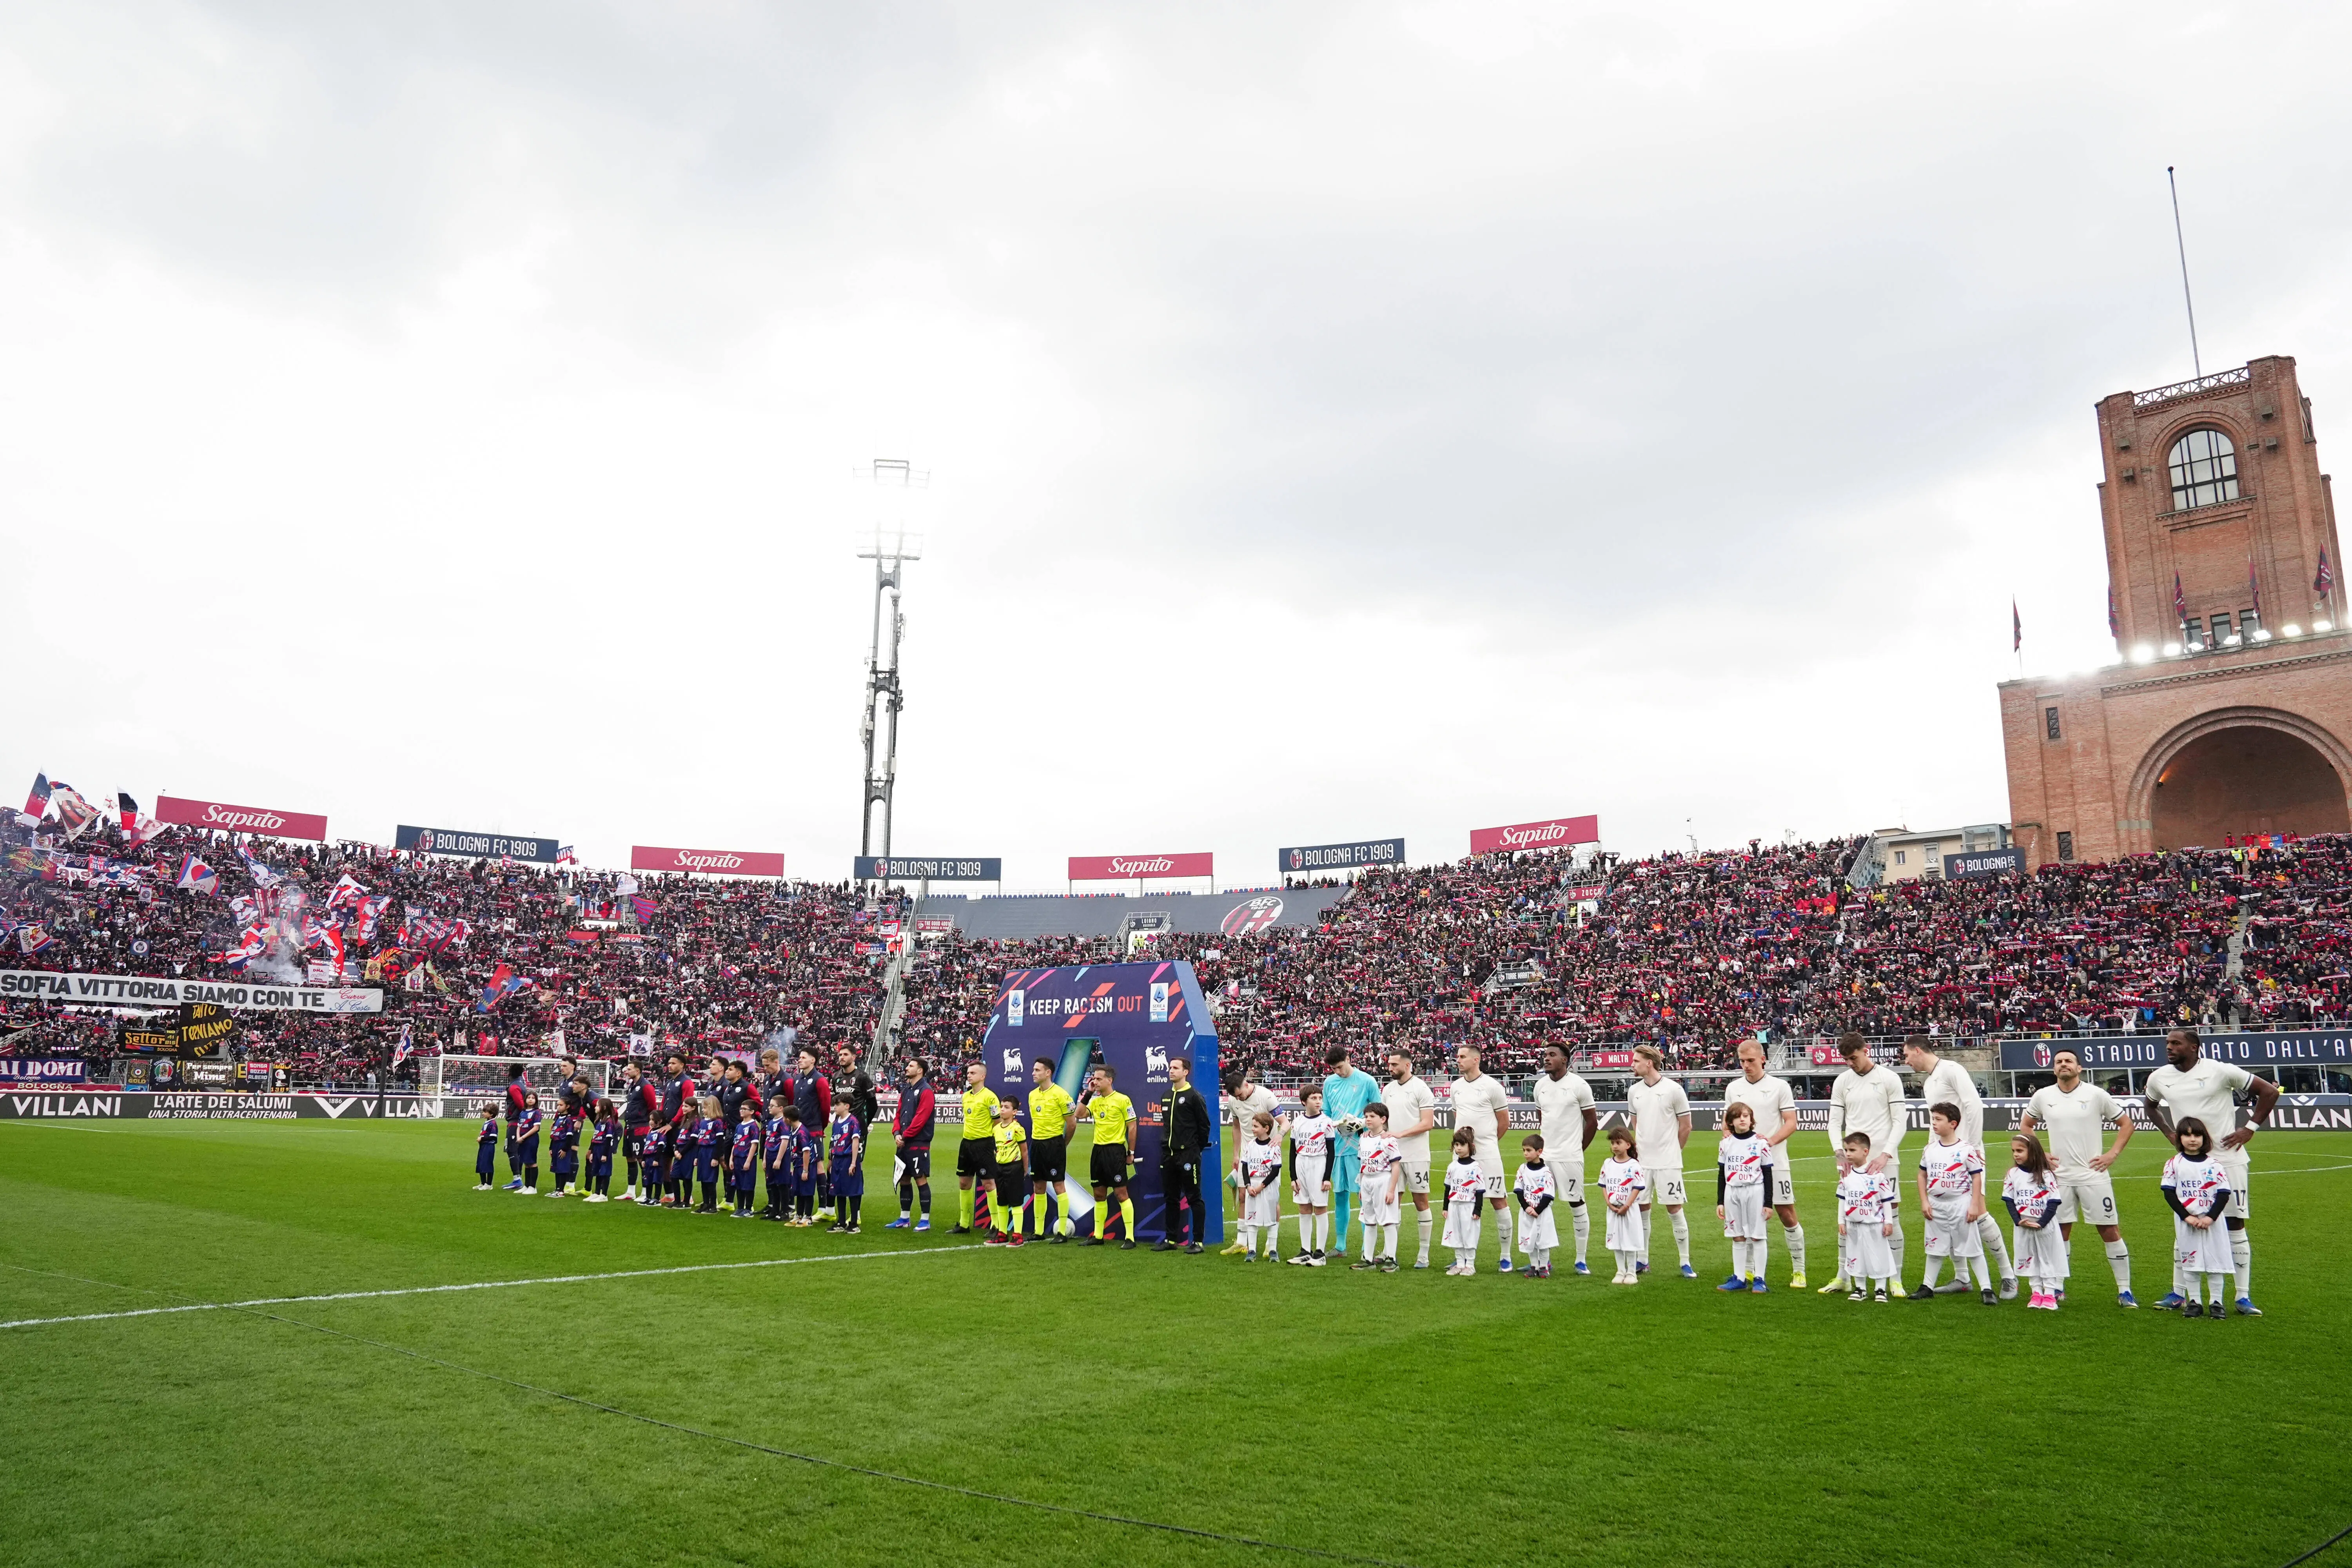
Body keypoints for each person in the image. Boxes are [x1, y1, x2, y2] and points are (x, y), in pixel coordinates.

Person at [2142, 1027, 2278, 1316]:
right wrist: (2169, 1132)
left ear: (2194, 1047)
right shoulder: (2159, 1077)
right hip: (2188, 1164)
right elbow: (2150, 1106)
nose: (2169, 1047)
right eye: (2167, 1043)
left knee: (2235, 1225)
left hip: (2228, 1159)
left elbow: (2268, 1091)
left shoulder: (2220, 1070)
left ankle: (2242, 1297)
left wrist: (2249, 1128)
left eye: (2176, 1043)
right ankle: (2179, 1294)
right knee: (2185, 1224)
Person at [2020, 1046, 2138, 1306]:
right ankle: (2058, 1287)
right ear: (2054, 1069)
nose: (2064, 1065)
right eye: (2059, 1062)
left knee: (2109, 1230)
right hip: (2058, 1178)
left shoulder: (2096, 1094)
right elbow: (2026, 1125)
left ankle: (2125, 1290)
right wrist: (2041, 1154)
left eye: (2069, 1061)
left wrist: (2112, 1155)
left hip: (2092, 1175)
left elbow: (2127, 1124)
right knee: (2060, 1231)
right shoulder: (2043, 1096)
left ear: (2079, 1068)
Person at [1904, 1037, 2016, 1299]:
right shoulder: (1930, 1081)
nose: (1906, 1061)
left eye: (1907, 1055)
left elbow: (1973, 1105)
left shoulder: (1952, 1070)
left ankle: (2008, 1276)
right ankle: (1962, 1278)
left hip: (1965, 1154)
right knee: (1945, 1214)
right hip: (1941, 1157)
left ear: (1918, 1050)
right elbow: (1937, 1123)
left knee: (1978, 1212)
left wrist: (1974, 1145)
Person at [1823, 1034, 1906, 1294]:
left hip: (1883, 1161)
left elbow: (1900, 1121)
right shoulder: (1842, 1082)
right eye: (1846, 1059)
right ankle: (1843, 1277)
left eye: (1854, 1058)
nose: (1850, 1064)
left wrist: (1886, 1155)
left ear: (1866, 1051)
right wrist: (1841, 1157)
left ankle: (1896, 1278)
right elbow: (1834, 1123)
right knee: (1849, 1215)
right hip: (1851, 1163)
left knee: (1889, 1214)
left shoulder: (1889, 1079)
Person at [1722, 1038, 1806, 1288]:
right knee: (1745, 1217)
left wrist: (1766, 1144)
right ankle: (1747, 1273)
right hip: (1741, 1168)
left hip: (1774, 1163)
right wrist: (1730, 1145)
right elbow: (1727, 1125)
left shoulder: (1779, 1086)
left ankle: (1799, 1271)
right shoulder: (1733, 1088)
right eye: (1742, 1061)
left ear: (1762, 1059)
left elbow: (1791, 1122)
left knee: (1786, 1213)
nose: (1746, 1065)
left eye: (1750, 1061)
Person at [1914, 1102, 1995, 1305]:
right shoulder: (1930, 1149)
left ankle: (1987, 1289)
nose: (1934, 1123)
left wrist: (1975, 1204)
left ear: (1953, 1124)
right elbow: (1922, 1175)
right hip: (1936, 1205)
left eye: (1938, 1119)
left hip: (1960, 1204)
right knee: (1934, 1247)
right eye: (1933, 1119)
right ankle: (1927, 1286)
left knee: (1973, 1248)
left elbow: (1977, 1177)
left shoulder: (1966, 1149)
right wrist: (1924, 1201)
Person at [1626, 1044, 1693, 1278]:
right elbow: (1636, 1125)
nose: (1632, 1065)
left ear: (1649, 1063)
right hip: (1642, 1163)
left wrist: (1674, 1151)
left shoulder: (1674, 1090)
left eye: (1636, 1061)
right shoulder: (1634, 1092)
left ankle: (1685, 1262)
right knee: (1641, 1209)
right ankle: (1643, 1260)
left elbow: (1686, 1126)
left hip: (1668, 1162)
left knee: (1674, 1209)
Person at [1530, 1046, 1598, 1276]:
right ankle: (1541, 1260)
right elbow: (1543, 1119)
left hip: (1569, 1157)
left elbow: (1592, 1122)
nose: (1546, 1059)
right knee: (1538, 1207)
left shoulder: (1579, 1085)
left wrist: (1578, 1149)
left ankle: (1581, 1260)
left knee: (1576, 1204)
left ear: (1564, 1060)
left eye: (1552, 1056)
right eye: (1545, 1055)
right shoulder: (1540, 1086)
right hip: (1545, 1157)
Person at [2160, 1117, 2235, 1319]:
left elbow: (2223, 1193)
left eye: (2197, 1135)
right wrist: (2187, 1217)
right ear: (2180, 1138)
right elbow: (2169, 1193)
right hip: (2188, 1222)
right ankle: (2195, 1302)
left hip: (2213, 1221)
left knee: (2215, 1262)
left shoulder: (2215, 1165)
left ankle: (2216, 1303)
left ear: (2204, 1138)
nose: (2192, 1140)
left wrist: (2211, 1217)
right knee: (2190, 1261)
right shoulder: (2174, 1164)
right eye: (2187, 1135)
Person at [1448, 1044, 1514, 1272]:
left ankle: (1506, 1256)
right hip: (1461, 1158)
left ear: (1476, 1060)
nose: (1459, 1060)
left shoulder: (1492, 1086)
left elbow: (1504, 1121)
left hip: (1488, 1155)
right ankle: (1462, 1256)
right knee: (1459, 1205)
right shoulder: (1456, 1087)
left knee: (1498, 1200)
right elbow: (1459, 1118)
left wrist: (1487, 1144)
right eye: (1458, 1056)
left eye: (1463, 1057)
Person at [1381, 1050, 1443, 1269]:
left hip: (1416, 1155)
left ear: (1408, 1065)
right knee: (1392, 1201)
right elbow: (1384, 1122)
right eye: (1389, 1064)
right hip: (1393, 1157)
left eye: (1395, 1065)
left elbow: (1428, 1123)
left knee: (1421, 1202)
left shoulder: (1421, 1089)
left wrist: (1400, 1134)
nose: (1390, 1068)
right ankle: (1389, 1252)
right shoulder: (1387, 1090)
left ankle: (1424, 1255)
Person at [1319, 1045, 1380, 1258]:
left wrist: (1362, 1124)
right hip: (1336, 1147)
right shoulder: (1329, 1083)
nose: (1338, 1072)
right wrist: (1334, 1123)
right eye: (1334, 1069)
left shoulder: (1367, 1081)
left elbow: (1380, 1112)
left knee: (1364, 1197)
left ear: (1349, 1058)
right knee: (1339, 1196)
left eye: (1340, 1067)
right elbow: (1325, 1112)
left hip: (1360, 1147)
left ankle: (1367, 1247)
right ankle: (1340, 1246)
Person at [1074, 1063, 1138, 1249]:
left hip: (1115, 1151)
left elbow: (1132, 1127)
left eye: (1099, 1079)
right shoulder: (1095, 1101)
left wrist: (1131, 1153)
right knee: (1099, 1194)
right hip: (1098, 1151)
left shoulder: (1122, 1100)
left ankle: (1130, 1238)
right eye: (1094, 1078)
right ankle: (1099, 1235)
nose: (1095, 1081)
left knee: (1121, 1194)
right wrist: (1088, 1093)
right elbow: (1078, 1114)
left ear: (1109, 1080)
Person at [1158, 1054, 1214, 1254]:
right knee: (1171, 1198)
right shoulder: (1166, 1095)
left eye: (1175, 1068)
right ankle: (1171, 1239)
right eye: (1170, 1068)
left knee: (1194, 1198)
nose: (1171, 1071)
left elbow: (1204, 1127)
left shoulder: (1194, 1097)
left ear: (1185, 1072)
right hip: (1168, 1155)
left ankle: (1198, 1241)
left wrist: (1193, 1149)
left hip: (1188, 1156)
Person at [2002, 1132, 2065, 1309]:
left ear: (2033, 1151)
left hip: (2045, 1226)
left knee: (2047, 1259)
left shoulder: (2047, 1175)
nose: (2016, 1154)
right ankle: (2036, 1292)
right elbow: (2008, 1199)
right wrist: (2018, 1221)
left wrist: (2042, 1223)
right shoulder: (2013, 1174)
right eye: (2014, 1151)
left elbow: (2054, 1202)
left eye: (2020, 1151)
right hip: (2024, 1226)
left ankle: (2050, 1294)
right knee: (2029, 1259)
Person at [1714, 1101, 1771, 1294]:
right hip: (1733, 1191)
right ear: (1731, 1122)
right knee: (1737, 1236)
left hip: (1755, 1191)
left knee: (1757, 1236)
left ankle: (1760, 1280)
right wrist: (1720, 1201)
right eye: (1738, 1117)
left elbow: (1768, 1173)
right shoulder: (1726, 1144)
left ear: (1751, 1119)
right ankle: (1739, 1278)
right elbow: (1722, 1173)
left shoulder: (1761, 1143)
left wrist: (1769, 1203)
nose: (1743, 1120)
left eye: (1746, 1116)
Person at [1221, 1067, 1280, 1254]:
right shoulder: (1233, 1100)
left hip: (1269, 1154)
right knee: (1243, 1196)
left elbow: (1284, 1121)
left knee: (1272, 1199)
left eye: (1240, 1095)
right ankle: (1242, 1242)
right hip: (1248, 1154)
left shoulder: (1266, 1096)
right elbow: (1237, 1127)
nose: (1239, 1099)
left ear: (1246, 1084)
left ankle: (1271, 1244)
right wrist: (1236, 1154)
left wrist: (1280, 1137)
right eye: (1235, 1097)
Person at [1837, 1132, 1899, 1303]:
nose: (1848, 1154)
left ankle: (1881, 1289)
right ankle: (1860, 1288)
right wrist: (1841, 1221)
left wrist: (1889, 1222)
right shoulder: (1846, 1176)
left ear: (1865, 1152)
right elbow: (1842, 1200)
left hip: (1874, 1224)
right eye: (1846, 1150)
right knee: (1856, 1256)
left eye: (1852, 1150)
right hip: (1854, 1225)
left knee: (1878, 1256)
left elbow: (1887, 1200)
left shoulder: (1877, 1175)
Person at [1284, 1085, 1335, 1265]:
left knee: (1320, 1207)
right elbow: (1292, 1151)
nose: (1318, 1101)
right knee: (1304, 1207)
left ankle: (1320, 1253)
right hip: (1301, 1163)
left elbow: (1331, 1151)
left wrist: (1327, 1177)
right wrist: (1293, 1177)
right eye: (1314, 1098)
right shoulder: (1297, 1122)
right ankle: (1305, 1250)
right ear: (1304, 1102)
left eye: (1320, 1098)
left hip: (1318, 1163)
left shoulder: (1327, 1122)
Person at [1350, 1101, 1403, 1272]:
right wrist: (1361, 1186)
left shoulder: (1388, 1140)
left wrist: (1391, 1189)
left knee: (1388, 1221)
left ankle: (1392, 1259)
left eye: (1372, 1117)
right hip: (1368, 1182)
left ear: (1383, 1119)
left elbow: (1396, 1166)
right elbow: (1363, 1165)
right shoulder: (1364, 1139)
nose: (1368, 1120)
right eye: (1366, 1117)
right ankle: (1368, 1258)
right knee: (1369, 1220)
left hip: (1383, 1180)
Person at [1027, 1057, 1075, 1243]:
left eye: (1038, 1070)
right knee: (1038, 1186)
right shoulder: (1032, 1095)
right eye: (1034, 1070)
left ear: (1048, 1073)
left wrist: (1063, 1144)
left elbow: (1071, 1124)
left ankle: (1062, 1232)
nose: (1034, 1073)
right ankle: (1038, 1232)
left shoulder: (1061, 1095)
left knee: (1058, 1186)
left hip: (1054, 1144)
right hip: (1037, 1145)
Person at [888, 1057, 936, 1232]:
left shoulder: (926, 1091)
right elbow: (899, 1114)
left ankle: (925, 1220)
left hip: (918, 1143)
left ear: (920, 1070)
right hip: (903, 1143)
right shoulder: (906, 1090)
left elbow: (921, 1119)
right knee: (904, 1179)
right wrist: (896, 1133)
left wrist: (905, 1135)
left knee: (920, 1179)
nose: (907, 1068)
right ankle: (904, 1218)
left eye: (911, 1066)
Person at [1597, 1127, 1648, 1284]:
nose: (1615, 1146)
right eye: (1613, 1143)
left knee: (1630, 1239)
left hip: (1629, 1210)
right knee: (1616, 1240)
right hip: (1613, 1210)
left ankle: (1632, 1272)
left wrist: (1627, 1205)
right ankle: (1620, 1271)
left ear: (1628, 1145)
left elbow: (1637, 1187)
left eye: (1618, 1142)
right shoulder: (1607, 1164)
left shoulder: (1634, 1165)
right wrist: (1609, 1204)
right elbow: (1604, 1185)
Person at [953, 1061, 998, 1236]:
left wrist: (994, 1144)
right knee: (964, 1183)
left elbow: (997, 1122)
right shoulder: (966, 1096)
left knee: (989, 1184)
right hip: (967, 1144)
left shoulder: (990, 1097)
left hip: (984, 1144)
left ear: (983, 1076)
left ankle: (996, 1225)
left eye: (973, 1073)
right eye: (968, 1072)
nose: (969, 1075)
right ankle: (964, 1224)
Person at [1236, 1111, 1283, 1262]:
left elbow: (1275, 1170)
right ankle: (1252, 1251)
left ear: (1266, 1128)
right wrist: (1249, 1186)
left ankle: (1273, 1250)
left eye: (1256, 1126)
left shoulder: (1274, 1147)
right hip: (1253, 1185)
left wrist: (1261, 1187)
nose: (1253, 1129)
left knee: (1271, 1218)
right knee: (1251, 1219)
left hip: (1267, 1186)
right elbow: (1244, 1167)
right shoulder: (1250, 1145)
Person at [1511, 1132, 1559, 1279]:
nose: (1526, 1153)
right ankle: (1534, 1266)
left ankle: (1544, 1267)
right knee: (1529, 1240)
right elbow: (1519, 1190)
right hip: (1527, 1212)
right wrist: (1526, 1207)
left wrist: (1538, 1210)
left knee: (1543, 1241)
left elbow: (1549, 1194)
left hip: (1542, 1213)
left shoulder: (1546, 1172)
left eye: (1529, 1150)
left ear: (1539, 1152)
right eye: (1524, 1150)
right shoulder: (1522, 1169)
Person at [1441, 1128, 1486, 1277]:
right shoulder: (1452, 1166)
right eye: (1456, 1145)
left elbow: (1480, 1191)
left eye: (1462, 1145)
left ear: (1470, 1146)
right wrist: (1445, 1207)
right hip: (1454, 1206)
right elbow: (1448, 1188)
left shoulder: (1476, 1167)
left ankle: (1470, 1265)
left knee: (1469, 1235)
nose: (1459, 1148)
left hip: (1469, 1206)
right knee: (1456, 1235)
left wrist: (1477, 1210)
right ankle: (1460, 1264)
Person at [985, 1096, 1028, 1247]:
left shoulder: (1017, 1129)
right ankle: (1002, 1233)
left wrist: (1024, 1169)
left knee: (1016, 1203)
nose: (1002, 1109)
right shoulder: (996, 1129)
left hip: (1014, 1167)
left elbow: (1024, 1151)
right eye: (1002, 1106)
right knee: (1001, 1202)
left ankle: (1018, 1236)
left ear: (1015, 1112)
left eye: (1007, 1107)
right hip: (1000, 1168)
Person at [827, 1095, 866, 1233]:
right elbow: (833, 1143)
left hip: (848, 1159)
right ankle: (841, 1222)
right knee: (839, 1191)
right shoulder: (837, 1123)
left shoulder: (853, 1122)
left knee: (853, 1192)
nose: (835, 1108)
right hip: (837, 1160)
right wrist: (831, 1162)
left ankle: (854, 1223)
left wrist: (854, 1163)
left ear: (847, 1106)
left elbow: (856, 1142)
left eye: (838, 1105)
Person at [616, 1059, 653, 1203]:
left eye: (630, 1069)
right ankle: (631, 1191)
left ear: (637, 1071)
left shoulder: (646, 1086)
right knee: (630, 1157)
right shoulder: (633, 1086)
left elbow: (651, 1107)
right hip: (629, 1126)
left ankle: (645, 1192)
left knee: (641, 1159)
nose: (627, 1071)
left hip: (641, 1127)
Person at [688, 1095, 724, 1213]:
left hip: (711, 1152)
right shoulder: (703, 1122)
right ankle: (706, 1203)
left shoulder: (718, 1123)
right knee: (703, 1179)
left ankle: (713, 1205)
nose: (703, 1110)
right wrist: (697, 1157)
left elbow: (719, 1142)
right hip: (703, 1152)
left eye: (705, 1108)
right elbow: (700, 1141)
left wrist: (715, 1157)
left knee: (710, 1180)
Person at [786, 1106, 820, 1225]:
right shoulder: (794, 1131)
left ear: (789, 1119)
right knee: (799, 1191)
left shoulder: (802, 1132)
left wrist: (806, 1171)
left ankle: (808, 1217)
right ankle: (799, 1215)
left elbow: (807, 1151)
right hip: (798, 1165)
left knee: (807, 1191)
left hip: (807, 1166)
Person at [728, 1101, 762, 1216]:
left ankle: (748, 1209)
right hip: (737, 1158)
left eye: (744, 1109)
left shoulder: (753, 1127)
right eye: (741, 1108)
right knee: (738, 1184)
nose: (741, 1111)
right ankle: (740, 1207)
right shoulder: (739, 1126)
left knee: (748, 1184)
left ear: (752, 1112)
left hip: (747, 1159)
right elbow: (736, 1143)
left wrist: (748, 1161)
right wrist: (731, 1159)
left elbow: (754, 1145)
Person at [761, 1098, 793, 1220]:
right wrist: (765, 1158)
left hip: (780, 1156)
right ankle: (774, 1210)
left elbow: (785, 1141)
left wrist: (779, 1159)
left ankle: (784, 1211)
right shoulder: (771, 1122)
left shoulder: (783, 1122)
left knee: (782, 1183)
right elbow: (768, 1141)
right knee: (772, 1183)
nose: (769, 1108)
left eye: (772, 1106)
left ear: (781, 1109)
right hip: (770, 1156)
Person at [510, 1092, 543, 1196]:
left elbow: (536, 1128)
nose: (531, 1100)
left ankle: (533, 1187)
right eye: (529, 1098)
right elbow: (519, 1126)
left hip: (531, 1139)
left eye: (533, 1098)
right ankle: (527, 1185)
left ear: (536, 1101)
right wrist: (519, 1137)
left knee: (532, 1162)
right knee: (526, 1162)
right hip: (522, 1140)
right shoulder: (523, 1112)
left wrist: (523, 1137)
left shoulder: (537, 1112)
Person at [586, 1104, 617, 1202]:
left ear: (604, 1108)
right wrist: (592, 1152)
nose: (595, 1108)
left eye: (598, 1106)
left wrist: (605, 1154)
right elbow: (595, 1137)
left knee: (605, 1172)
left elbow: (608, 1139)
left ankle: (604, 1195)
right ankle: (597, 1192)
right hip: (597, 1149)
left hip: (604, 1149)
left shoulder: (609, 1122)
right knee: (597, 1171)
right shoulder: (599, 1121)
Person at [547, 1105, 580, 1198]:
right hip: (556, 1145)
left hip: (563, 1145)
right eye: (557, 1105)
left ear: (567, 1106)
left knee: (563, 1168)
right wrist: (551, 1148)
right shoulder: (557, 1118)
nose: (558, 1107)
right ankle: (557, 1189)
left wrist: (565, 1149)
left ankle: (561, 1190)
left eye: (561, 1105)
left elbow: (570, 1136)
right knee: (557, 1168)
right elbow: (554, 1135)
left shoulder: (568, 1120)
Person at [473, 1105, 499, 1190]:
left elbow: (493, 1137)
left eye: (485, 1112)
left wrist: (482, 1138)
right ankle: (483, 1183)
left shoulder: (493, 1124)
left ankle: (489, 1184)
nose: (483, 1114)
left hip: (489, 1146)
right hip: (483, 1146)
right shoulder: (487, 1122)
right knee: (481, 1164)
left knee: (487, 1164)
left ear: (491, 1114)